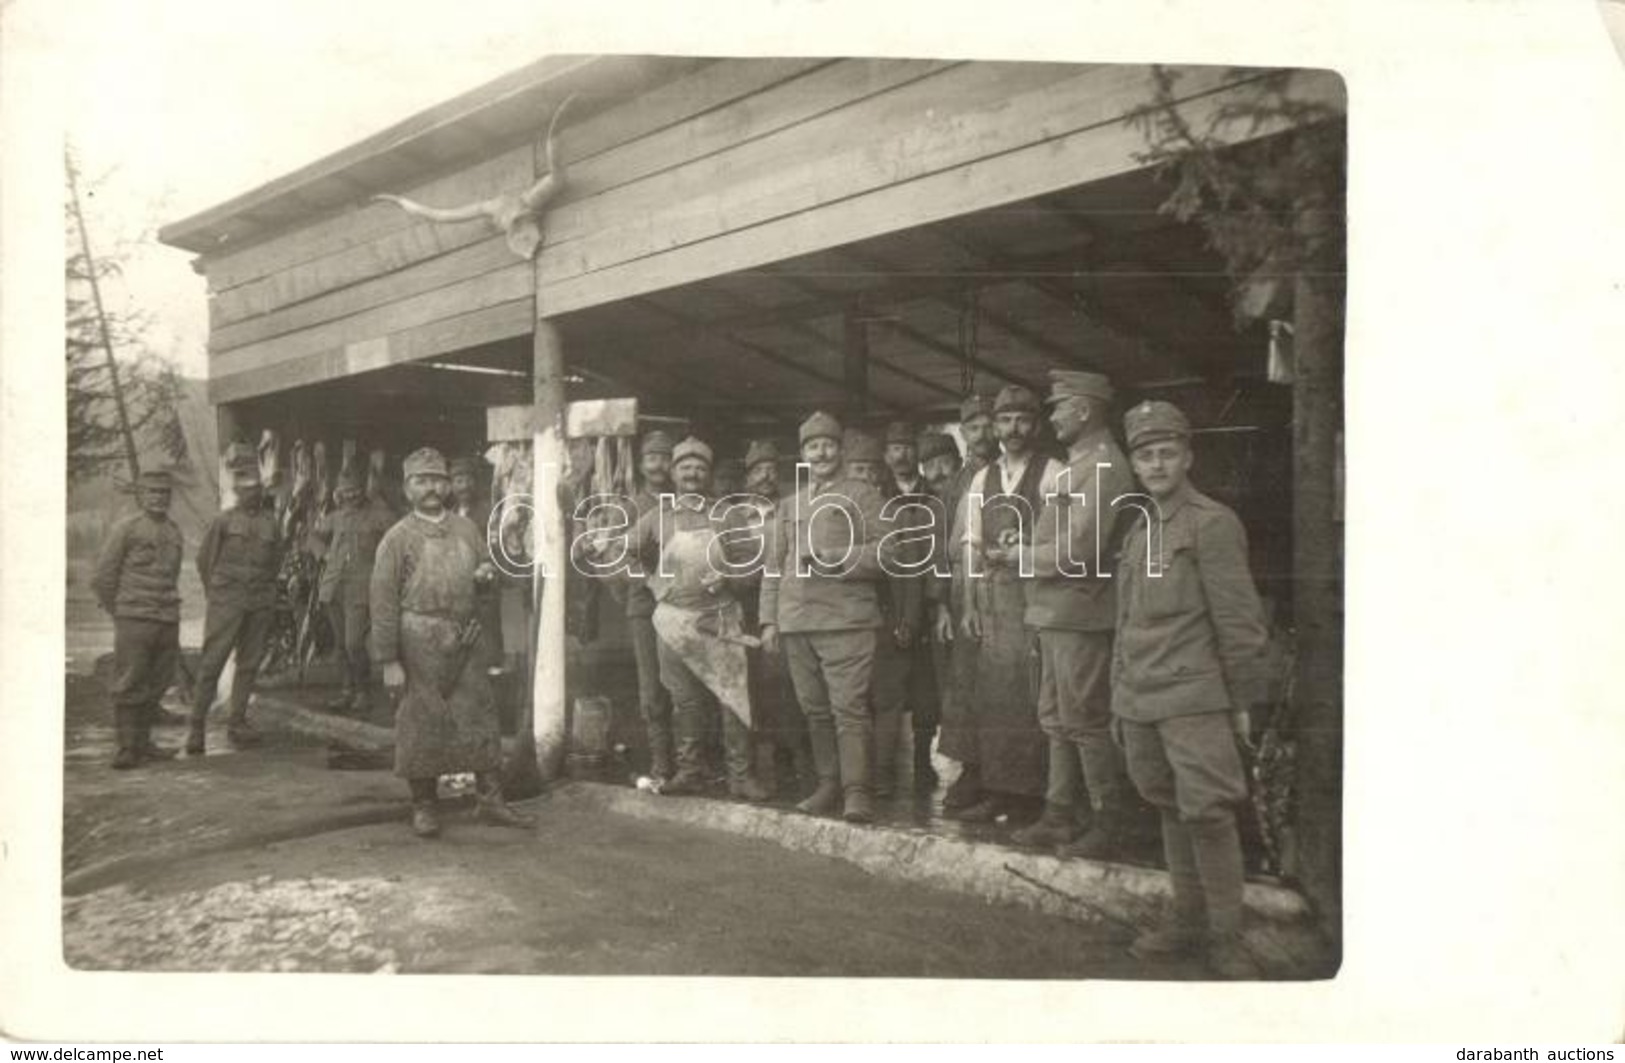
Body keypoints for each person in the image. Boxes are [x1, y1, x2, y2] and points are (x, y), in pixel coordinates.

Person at [1113, 400, 1270, 979]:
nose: (1156, 464)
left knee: (1207, 811)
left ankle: (1227, 937)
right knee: (1167, 805)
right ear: (1135, 464)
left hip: (1195, 697)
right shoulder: (1140, 529)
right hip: (1141, 696)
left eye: (1167, 453)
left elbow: (1239, 622)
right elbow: (1127, 619)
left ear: (1187, 457)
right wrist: (1117, 693)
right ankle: (1186, 920)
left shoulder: (1212, 523)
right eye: (1146, 455)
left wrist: (1243, 702)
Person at [371, 447, 532, 839]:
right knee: (421, 721)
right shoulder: (397, 539)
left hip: (465, 636)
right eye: (421, 481)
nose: (432, 488)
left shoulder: (466, 530)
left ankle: (491, 800)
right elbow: (383, 601)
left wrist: (485, 580)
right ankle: (425, 805)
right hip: (417, 640)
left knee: (479, 713)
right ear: (408, 488)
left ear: (448, 486)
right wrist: (389, 659)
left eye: (438, 480)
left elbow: (486, 582)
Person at [1009, 371, 1135, 858]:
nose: (1053, 415)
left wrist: (1022, 556)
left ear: (1084, 410)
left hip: (1081, 611)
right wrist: (1027, 547)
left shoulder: (1101, 467)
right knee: (1057, 717)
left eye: (1059, 407)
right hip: (1057, 611)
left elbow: (1082, 549)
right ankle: (1060, 813)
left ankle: (1110, 819)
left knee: (1084, 718)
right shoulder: (1079, 464)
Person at [604, 437, 767, 799]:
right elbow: (618, 552)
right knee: (684, 700)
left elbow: (754, 565)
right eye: (684, 467)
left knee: (733, 696)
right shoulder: (657, 518)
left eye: (699, 467)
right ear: (674, 474)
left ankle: (741, 775)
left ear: (707, 474)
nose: (691, 473)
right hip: (673, 623)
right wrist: (651, 580)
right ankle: (690, 771)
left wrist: (730, 579)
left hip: (720, 618)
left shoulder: (728, 515)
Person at [759, 412, 889, 823]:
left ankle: (857, 792)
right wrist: (768, 621)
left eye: (829, 444)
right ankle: (829, 783)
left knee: (848, 708)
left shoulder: (864, 495)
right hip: (796, 622)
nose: (821, 452)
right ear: (803, 454)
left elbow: (888, 552)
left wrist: (836, 559)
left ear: (841, 449)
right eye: (813, 446)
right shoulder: (789, 505)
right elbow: (772, 567)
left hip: (846, 621)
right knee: (814, 709)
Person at [954, 384, 1064, 824]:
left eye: (1021, 419)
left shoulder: (1055, 471)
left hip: (1037, 596)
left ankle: (1032, 796)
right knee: (995, 694)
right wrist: (969, 605)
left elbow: (1066, 540)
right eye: (1004, 420)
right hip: (995, 599)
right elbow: (971, 544)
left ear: (1035, 425)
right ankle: (999, 790)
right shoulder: (983, 479)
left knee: (1033, 694)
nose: (1012, 428)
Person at [189, 454, 282, 755]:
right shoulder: (224, 521)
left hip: (259, 602)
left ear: (261, 490)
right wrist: (216, 594)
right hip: (227, 601)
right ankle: (196, 727)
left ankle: (237, 722)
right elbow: (205, 560)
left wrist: (265, 593)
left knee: (249, 664)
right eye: (244, 489)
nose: (251, 493)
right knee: (212, 662)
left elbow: (275, 561)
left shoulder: (272, 523)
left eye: (255, 488)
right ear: (237, 491)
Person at [93, 467, 184, 769]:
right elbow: (104, 577)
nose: (159, 498)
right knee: (130, 682)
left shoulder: (173, 531)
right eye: (153, 492)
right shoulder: (126, 529)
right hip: (135, 617)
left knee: (157, 682)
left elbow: (171, 575)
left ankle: (144, 744)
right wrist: (121, 611)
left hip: (166, 617)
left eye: (164, 493)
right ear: (141, 495)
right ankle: (127, 749)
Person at [869, 422, 942, 795]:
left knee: (927, 697)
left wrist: (937, 604)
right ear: (886, 456)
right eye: (895, 448)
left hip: (929, 611)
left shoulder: (935, 497)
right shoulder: (876, 499)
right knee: (888, 694)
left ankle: (921, 763)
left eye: (908, 447)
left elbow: (941, 553)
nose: (903, 454)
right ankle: (882, 771)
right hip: (889, 610)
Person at [935, 395, 999, 810]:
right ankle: (969, 772)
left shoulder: (1013, 473)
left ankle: (998, 776)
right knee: (963, 686)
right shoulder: (955, 484)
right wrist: (940, 604)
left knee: (1001, 684)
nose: (982, 433)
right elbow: (939, 549)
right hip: (961, 593)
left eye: (987, 424)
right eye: (972, 427)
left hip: (998, 586)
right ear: (964, 434)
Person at [311, 467, 395, 716]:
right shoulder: (334, 518)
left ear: (363, 492)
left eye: (355, 491)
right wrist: (323, 553)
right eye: (345, 491)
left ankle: (362, 691)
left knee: (353, 642)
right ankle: (346, 691)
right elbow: (312, 537)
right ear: (338, 493)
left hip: (360, 588)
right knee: (340, 644)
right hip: (333, 588)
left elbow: (397, 532)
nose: (351, 496)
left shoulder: (376, 516)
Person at [450, 454, 507, 681]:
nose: (463, 486)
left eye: (467, 480)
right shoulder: (449, 515)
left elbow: (496, 545)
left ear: (475, 482)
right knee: (461, 629)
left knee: (489, 629)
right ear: (452, 485)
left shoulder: (487, 511)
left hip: (485, 582)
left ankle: (494, 678)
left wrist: (487, 569)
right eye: (458, 481)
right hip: (459, 584)